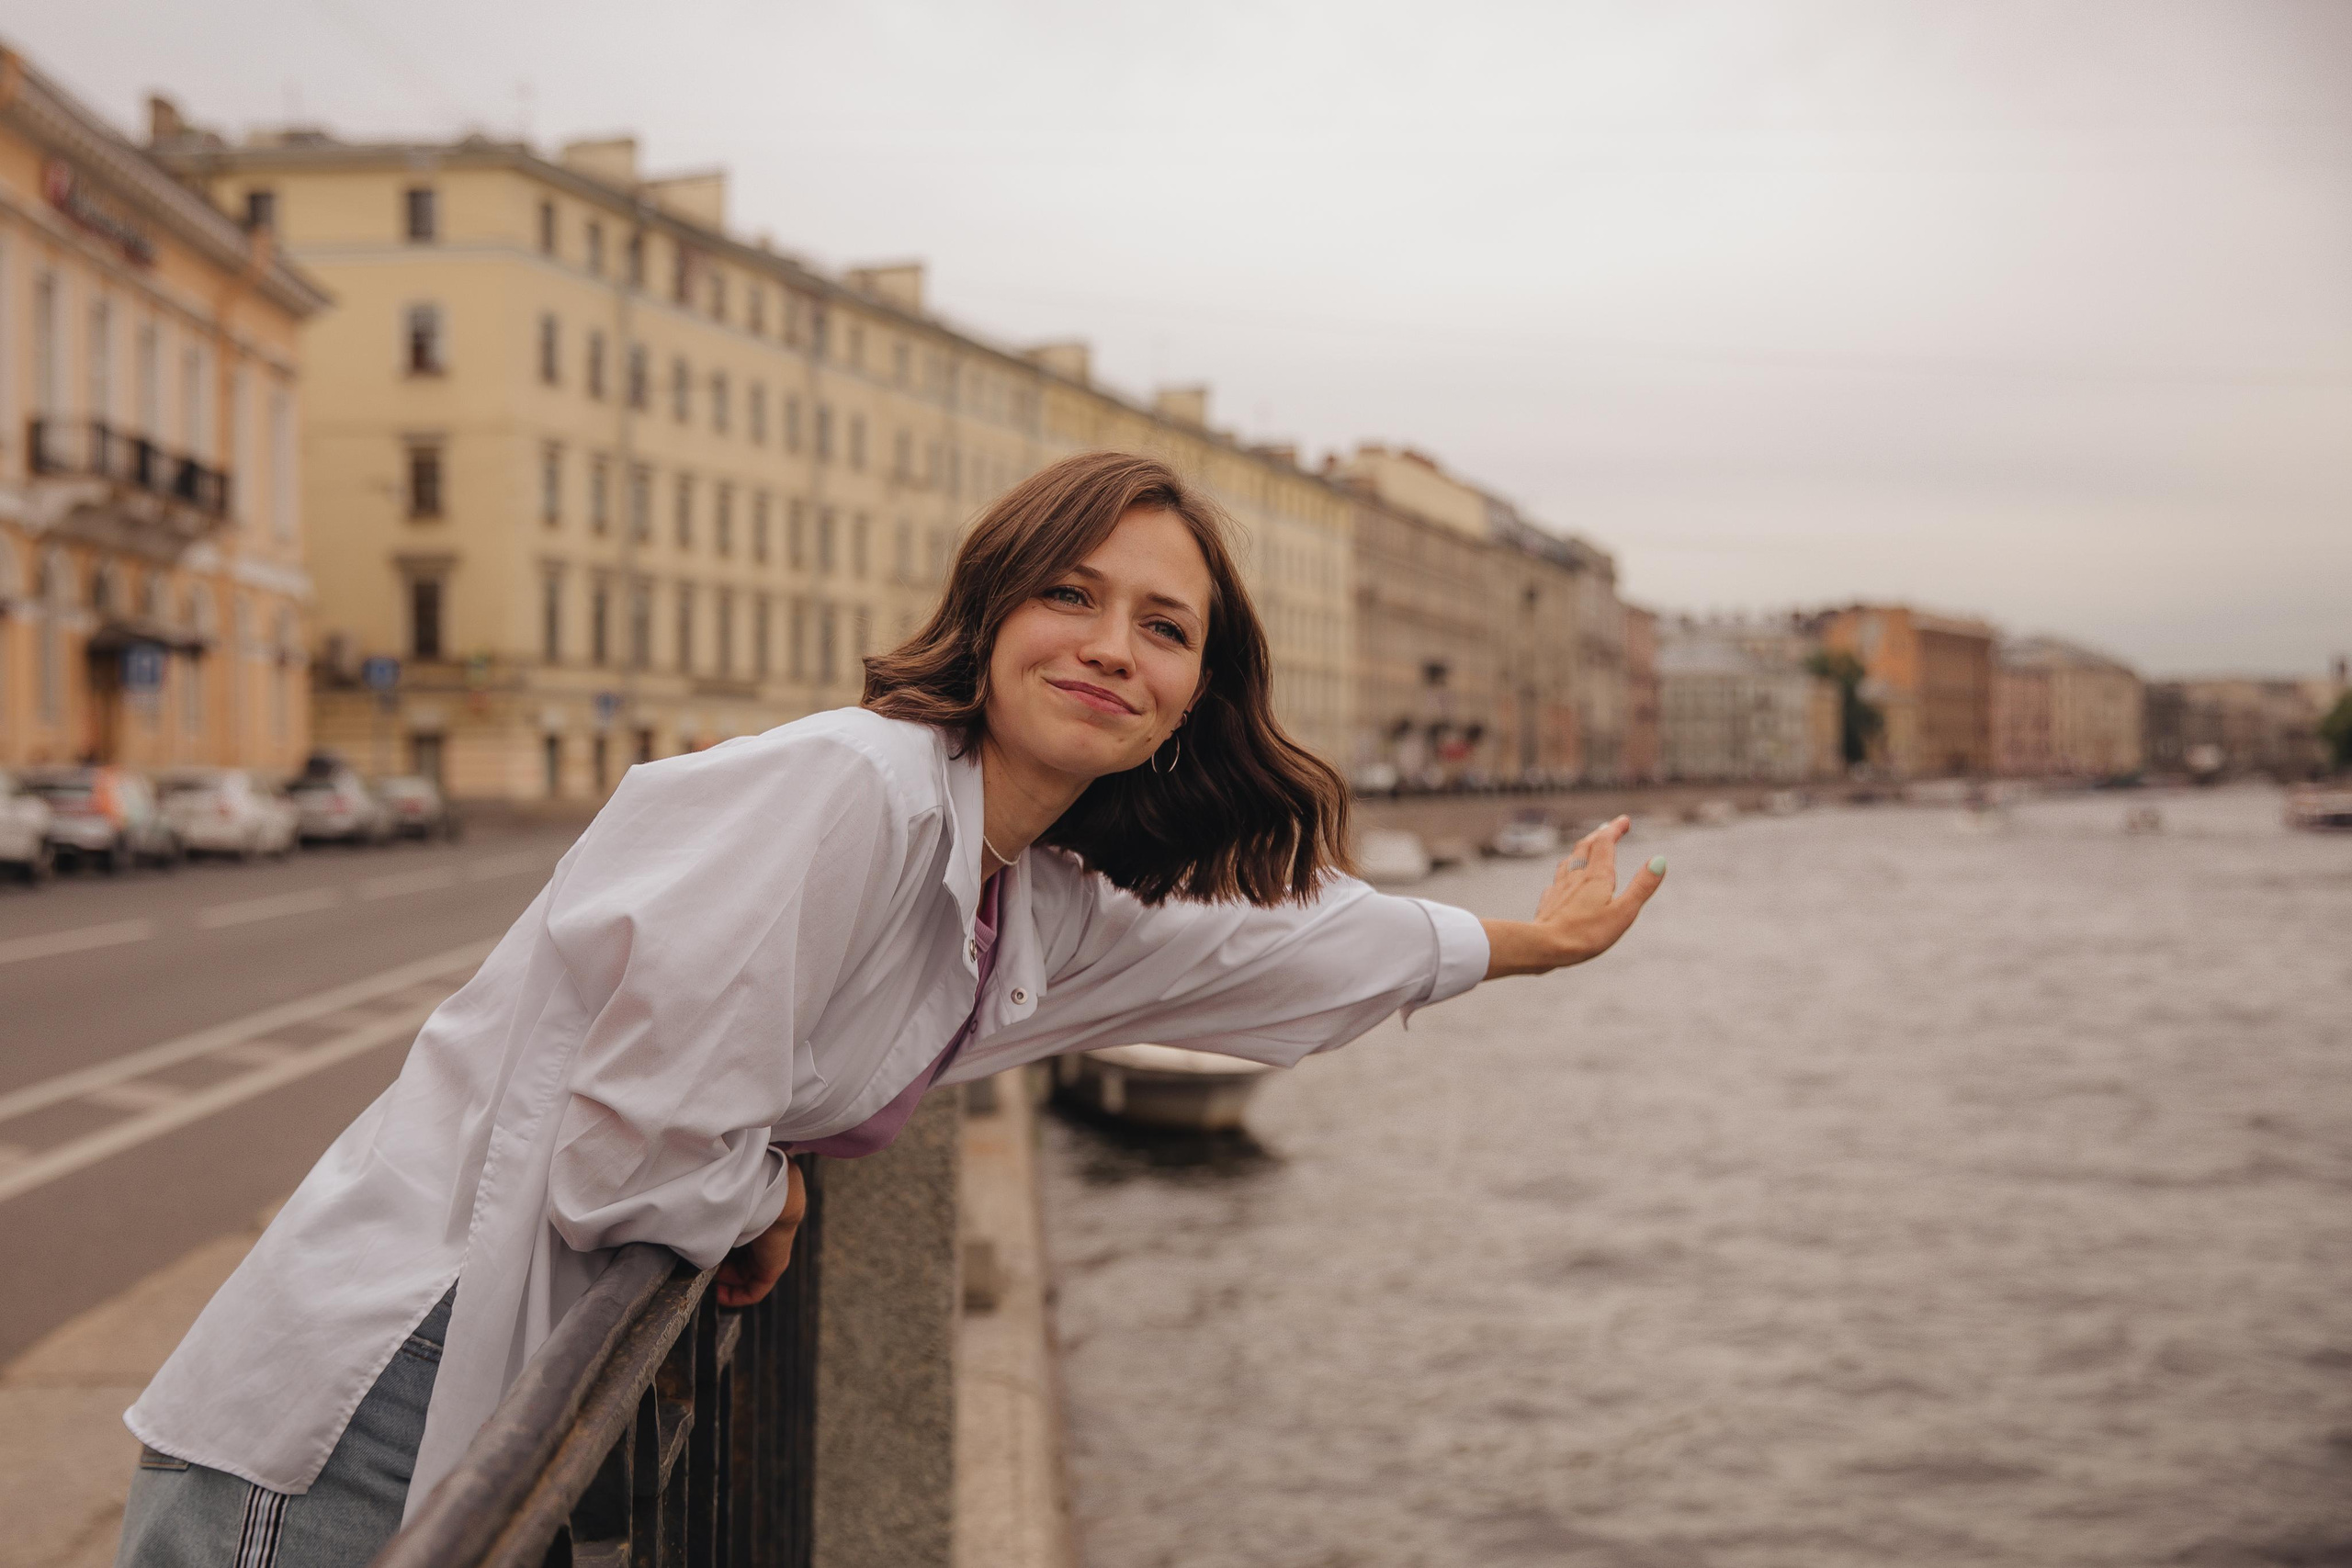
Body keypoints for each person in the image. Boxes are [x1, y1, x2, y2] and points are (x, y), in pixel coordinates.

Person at [115, 451, 1664, 1566]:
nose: (1111, 647)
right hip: (379, 1385)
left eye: (1165, 627)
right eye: (1072, 595)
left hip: (487, 1383)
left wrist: (1529, 942)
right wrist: (758, 1194)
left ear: (1198, 690)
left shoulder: (1014, 886)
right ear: (990, 613)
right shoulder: (854, 788)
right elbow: (642, 1144)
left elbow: (1254, 955)